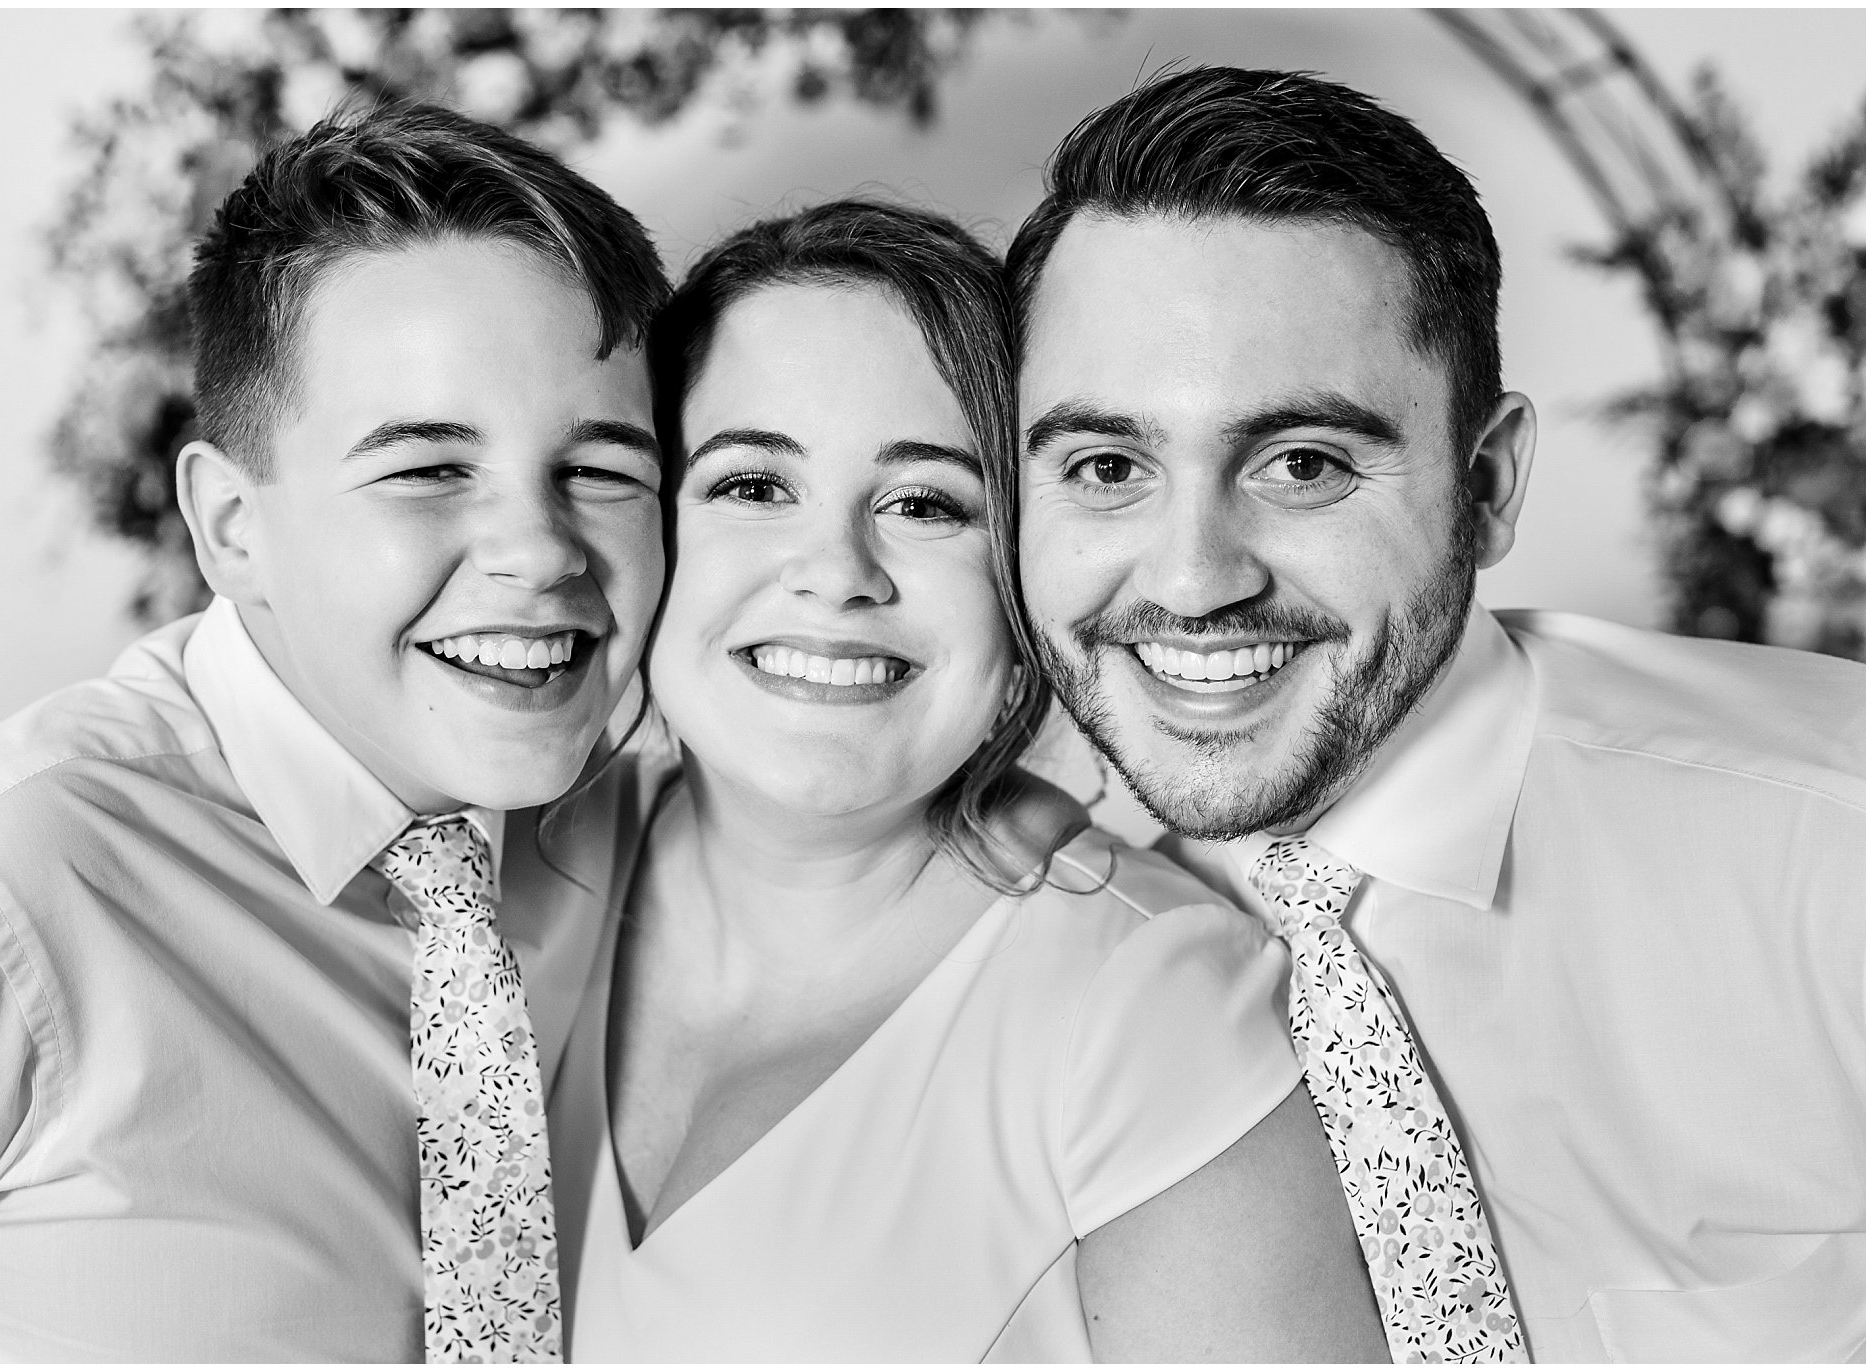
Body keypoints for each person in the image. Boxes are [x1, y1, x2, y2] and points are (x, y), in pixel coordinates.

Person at [1010, 65, 1865, 1363]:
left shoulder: (1838, 848)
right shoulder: (980, 923)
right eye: (1108, 468)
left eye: (1303, 464)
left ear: (1489, 483)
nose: (1192, 580)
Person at [0, 103, 669, 1361]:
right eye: (427, 469)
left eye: (601, 469)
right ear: (230, 524)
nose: (540, 553)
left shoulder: (647, 848)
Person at [543, 198, 1390, 1362]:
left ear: (1022, 580)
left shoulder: (1148, 1003)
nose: (836, 573)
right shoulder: (506, 875)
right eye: (750, 485)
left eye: (926, 503)